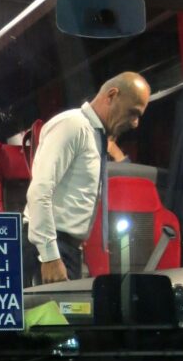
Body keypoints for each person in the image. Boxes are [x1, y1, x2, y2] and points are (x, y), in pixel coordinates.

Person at [23, 72, 151, 285]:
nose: (136, 123)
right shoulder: (73, 125)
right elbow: (39, 191)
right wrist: (50, 256)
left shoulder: (96, 136)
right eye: (133, 113)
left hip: (67, 248)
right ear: (112, 95)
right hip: (49, 248)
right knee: (53, 318)